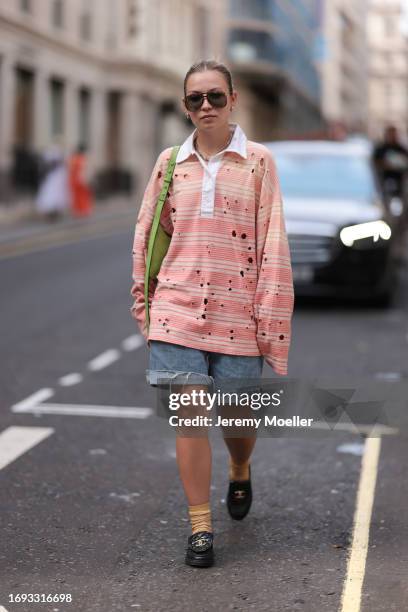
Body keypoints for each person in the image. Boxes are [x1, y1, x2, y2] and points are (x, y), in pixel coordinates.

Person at [130, 60, 294, 567]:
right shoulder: (168, 163)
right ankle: (200, 528)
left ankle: (240, 467)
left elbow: (273, 243)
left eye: (215, 97)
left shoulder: (259, 162)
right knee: (190, 415)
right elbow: (147, 235)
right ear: (185, 107)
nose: (206, 107)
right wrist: (145, 300)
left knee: (237, 417)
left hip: (238, 313)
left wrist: (270, 321)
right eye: (195, 99)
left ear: (233, 100)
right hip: (177, 307)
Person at [372, 126, 408, 261]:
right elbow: (376, 163)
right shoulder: (381, 149)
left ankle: (397, 236)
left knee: (400, 216)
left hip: (398, 188)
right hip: (384, 187)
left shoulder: (400, 149)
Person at [35, 146, 69, 222]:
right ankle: (51, 214)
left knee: (53, 198)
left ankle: (53, 214)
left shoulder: (59, 171)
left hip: (55, 183)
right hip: (51, 182)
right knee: (50, 197)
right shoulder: (54, 170)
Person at [68, 144, 94, 218]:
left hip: (76, 180)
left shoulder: (75, 159)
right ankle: (82, 209)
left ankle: (80, 209)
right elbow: (84, 170)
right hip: (80, 180)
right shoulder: (81, 159)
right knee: (82, 195)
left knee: (79, 196)